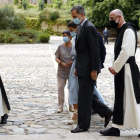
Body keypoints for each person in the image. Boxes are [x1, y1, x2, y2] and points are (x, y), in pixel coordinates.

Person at [70, 5, 112, 133]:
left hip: (89, 69)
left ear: (82, 14)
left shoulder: (89, 27)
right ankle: (107, 112)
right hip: (82, 67)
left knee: (83, 97)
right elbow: (81, 51)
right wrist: (77, 67)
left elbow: (95, 50)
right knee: (86, 94)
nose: (74, 19)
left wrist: (94, 69)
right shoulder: (82, 27)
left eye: (75, 17)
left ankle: (83, 125)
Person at [100, 9, 140, 137]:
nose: (111, 21)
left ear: (119, 17)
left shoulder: (128, 30)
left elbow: (126, 52)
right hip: (123, 69)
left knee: (133, 98)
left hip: (127, 69)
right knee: (120, 99)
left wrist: (115, 67)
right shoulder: (122, 30)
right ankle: (116, 127)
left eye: (112, 19)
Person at [68, 21, 106, 124]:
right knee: (80, 90)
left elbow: (98, 51)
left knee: (87, 91)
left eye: (72, 31)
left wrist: (96, 68)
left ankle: (104, 110)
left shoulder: (90, 30)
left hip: (87, 67)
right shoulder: (77, 36)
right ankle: (104, 111)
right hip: (78, 66)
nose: (71, 33)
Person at [55, 30, 74, 113]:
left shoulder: (74, 47)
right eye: (63, 36)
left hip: (71, 71)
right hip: (61, 71)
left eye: (66, 36)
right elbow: (56, 57)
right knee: (60, 88)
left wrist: (71, 62)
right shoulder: (60, 46)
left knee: (72, 89)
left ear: (70, 37)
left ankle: (71, 105)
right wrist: (61, 63)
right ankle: (60, 105)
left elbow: (77, 58)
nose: (64, 37)